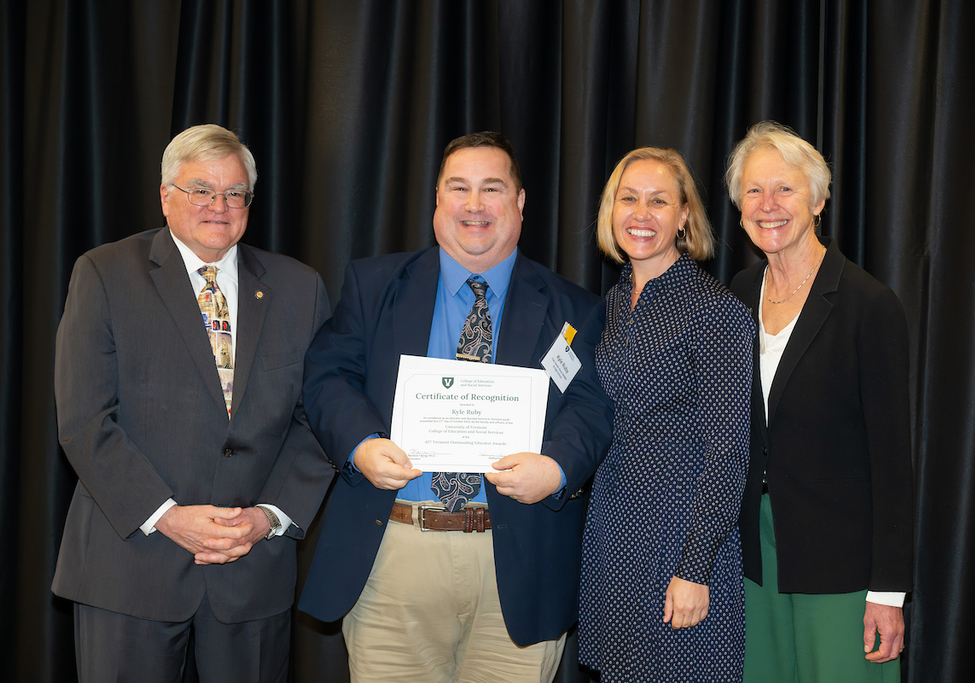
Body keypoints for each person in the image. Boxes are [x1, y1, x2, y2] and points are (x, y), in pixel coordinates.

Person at [298, 131, 613, 683]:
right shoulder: (372, 286)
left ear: (519, 203)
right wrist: (361, 445)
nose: (474, 205)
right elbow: (327, 377)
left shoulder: (574, 308)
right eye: (459, 188)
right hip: (394, 556)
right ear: (437, 201)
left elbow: (591, 405)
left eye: (492, 188)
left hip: (516, 560)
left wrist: (558, 467)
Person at [52, 124, 337, 682]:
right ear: (165, 195)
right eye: (201, 190)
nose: (219, 205)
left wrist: (268, 517)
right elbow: (85, 420)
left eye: (234, 193)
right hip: (130, 566)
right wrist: (167, 517)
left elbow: (318, 421)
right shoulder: (104, 274)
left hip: (251, 568)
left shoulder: (299, 289)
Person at [727, 121, 914, 682]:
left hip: (842, 567)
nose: (768, 205)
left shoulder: (868, 305)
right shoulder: (738, 293)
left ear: (819, 199)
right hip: (754, 560)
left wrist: (888, 591)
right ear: (738, 207)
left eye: (785, 188)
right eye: (754, 191)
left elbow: (892, 463)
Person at [577, 147, 754, 682]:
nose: (641, 213)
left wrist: (695, 569)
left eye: (659, 201)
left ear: (684, 216)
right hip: (613, 532)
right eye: (628, 199)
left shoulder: (716, 310)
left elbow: (728, 450)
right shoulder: (611, 304)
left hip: (681, 539)